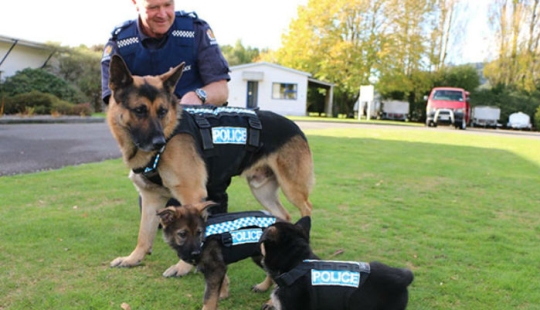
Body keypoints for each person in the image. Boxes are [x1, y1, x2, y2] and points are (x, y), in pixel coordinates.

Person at [101, 0, 230, 106]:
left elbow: (221, 89)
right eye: (153, 7)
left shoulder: (196, 31)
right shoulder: (119, 43)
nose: (162, 14)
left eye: (168, 5)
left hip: (193, 124)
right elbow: (114, 101)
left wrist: (198, 97)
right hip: (144, 128)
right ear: (135, 3)